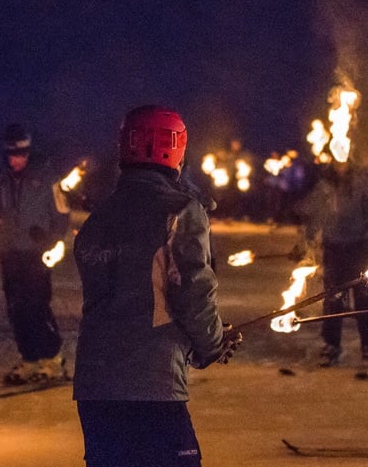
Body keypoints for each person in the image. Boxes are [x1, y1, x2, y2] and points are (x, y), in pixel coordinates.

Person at [73, 105, 241, 467]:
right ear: (176, 148)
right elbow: (191, 291)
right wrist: (211, 344)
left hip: (96, 387)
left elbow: (123, 299)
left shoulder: (99, 219)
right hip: (151, 386)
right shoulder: (179, 211)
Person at [0, 124, 69, 385]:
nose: (13, 160)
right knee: (16, 308)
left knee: (37, 306)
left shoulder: (48, 179)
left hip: (35, 254)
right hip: (9, 252)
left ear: (28, 152)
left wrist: (49, 239)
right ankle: (29, 358)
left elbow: (62, 216)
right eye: (9, 154)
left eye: (19, 154)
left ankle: (52, 359)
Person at [300, 158, 368, 368]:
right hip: (334, 247)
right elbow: (315, 215)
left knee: (363, 298)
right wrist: (306, 242)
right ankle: (332, 345)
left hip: (358, 247)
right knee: (333, 299)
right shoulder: (324, 184)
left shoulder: (361, 183)